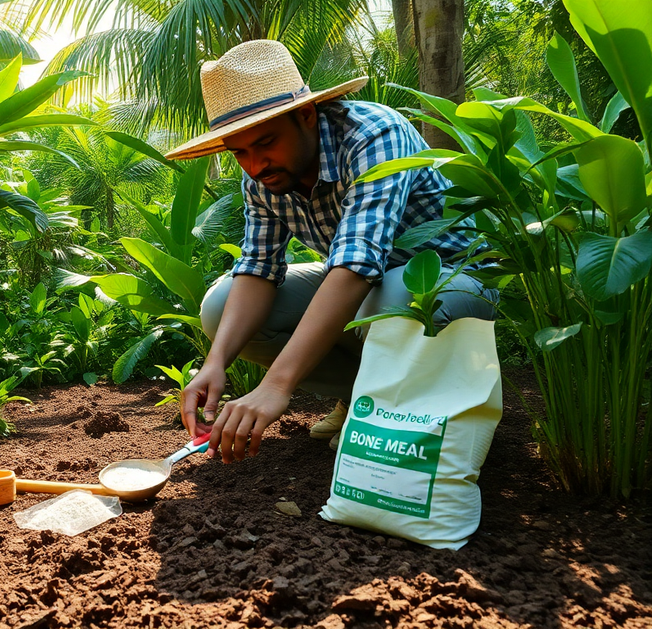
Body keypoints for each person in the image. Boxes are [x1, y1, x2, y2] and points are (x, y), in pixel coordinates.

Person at [167, 40, 496, 464]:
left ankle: (406, 415)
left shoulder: (372, 134)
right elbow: (258, 267)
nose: (255, 165)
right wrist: (215, 363)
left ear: (306, 115)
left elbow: (358, 263)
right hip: (369, 288)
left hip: (452, 282)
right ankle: (362, 398)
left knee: (394, 296)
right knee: (220, 306)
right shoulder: (262, 178)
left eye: (266, 142)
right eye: (240, 152)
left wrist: (276, 385)